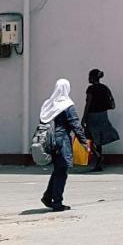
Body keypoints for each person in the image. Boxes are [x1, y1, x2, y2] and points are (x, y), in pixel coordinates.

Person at [39, 78, 90, 212]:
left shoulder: (48, 104)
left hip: (49, 141)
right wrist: (84, 142)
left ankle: (48, 197)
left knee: (58, 169)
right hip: (62, 141)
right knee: (62, 171)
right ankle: (57, 202)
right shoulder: (67, 105)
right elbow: (75, 125)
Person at [82, 69, 119, 171]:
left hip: (92, 116)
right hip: (103, 115)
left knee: (88, 137)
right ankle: (99, 163)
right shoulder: (105, 88)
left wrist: (84, 118)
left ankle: (98, 156)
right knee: (98, 140)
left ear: (93, 78)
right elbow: (112, 101)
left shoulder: (90, 89)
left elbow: (88, 104)